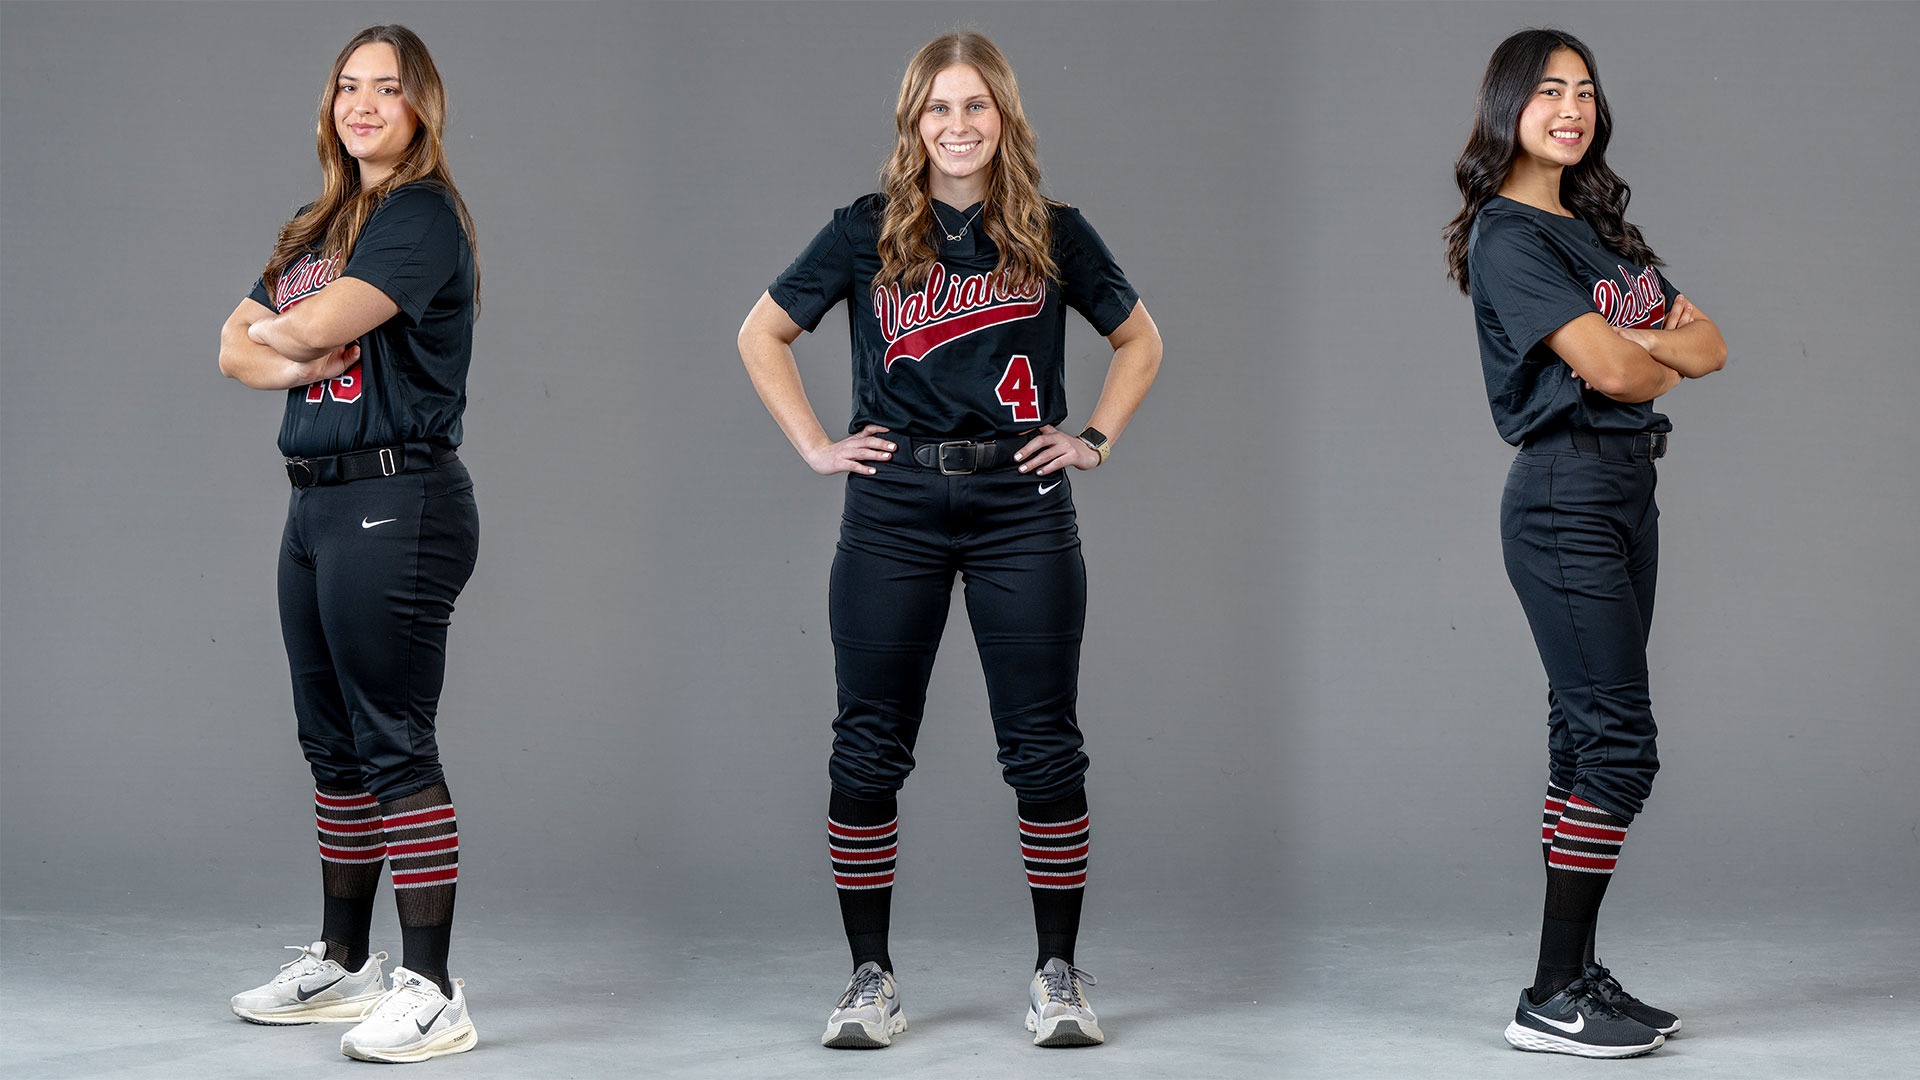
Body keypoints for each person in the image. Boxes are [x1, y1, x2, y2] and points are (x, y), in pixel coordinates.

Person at [737, 30, 1162, 1050]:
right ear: (912, 123)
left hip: (1022, 503)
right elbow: (761, 333)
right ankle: (868, 978)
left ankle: (1057, 973)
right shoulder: (864, 230)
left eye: (976, 107)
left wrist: (1095, 436)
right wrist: (815, 446)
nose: (958, 126)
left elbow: (1141, 339)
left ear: (1004, 118)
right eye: (939, 108)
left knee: (1045, 746)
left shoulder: (1056, 232)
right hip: (895, 505)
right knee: (869, 745)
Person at [1444, 28, 1726, 1059]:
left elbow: (1714, 345)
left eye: (1586, 91)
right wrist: (1645, 350)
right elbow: (1621, 369)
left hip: (1626, 491)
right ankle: (1548, 998)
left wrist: (1636, 349)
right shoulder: (1509, 236)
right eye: (1549, 90)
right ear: (1508, 106)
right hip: (1563, 490)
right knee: (1619, 744)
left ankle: (1569, 981)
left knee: (1578, 736)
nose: (1572, 108)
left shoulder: (1603, 233)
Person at [217, 24, 482, 1065]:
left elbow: (330, 315)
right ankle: (345, 959)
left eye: (387, 88)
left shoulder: (421, 215)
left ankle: (432, 989)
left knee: (393, 743)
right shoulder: (315, 220)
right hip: (314, 502)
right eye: (347, 87)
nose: (363, 104)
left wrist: (291, 331)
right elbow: (230, 346)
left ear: (421, 107)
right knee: (331, 747)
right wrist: (296, 347)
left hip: (397, 495)